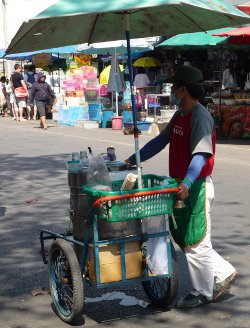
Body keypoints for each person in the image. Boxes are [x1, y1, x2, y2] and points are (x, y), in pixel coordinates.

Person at [125, 65, 237, 308]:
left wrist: (186, 182)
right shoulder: (180, 114)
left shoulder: (200, 117)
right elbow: (159, 142)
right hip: (180, 185)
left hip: (195, 185)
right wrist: (131, 160)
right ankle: (224, 271)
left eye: (174, 86)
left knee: (196, 240)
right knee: (188, 238)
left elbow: (201, 156)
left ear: (183, 89)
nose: (172, 89)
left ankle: (202, 292)